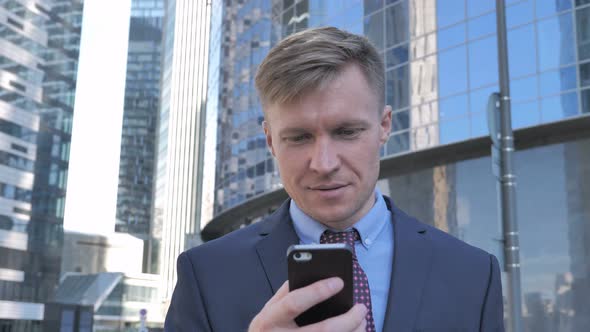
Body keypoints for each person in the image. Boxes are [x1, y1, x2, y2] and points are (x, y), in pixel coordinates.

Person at [164, 27, 504, 332]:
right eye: (298, 137)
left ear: (384, 126)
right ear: (270, 141)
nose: (324, 164)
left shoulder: (474, 275)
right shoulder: (206, 274)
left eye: (347, 132)